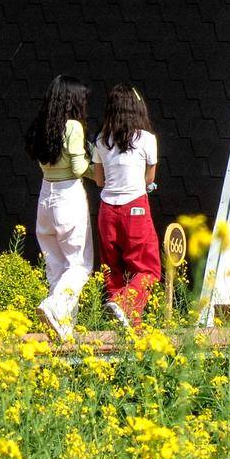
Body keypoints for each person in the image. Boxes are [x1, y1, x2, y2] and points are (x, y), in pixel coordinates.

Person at [24, 74, 94, 342]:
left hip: (45, 197)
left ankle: (63, 330)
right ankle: (54, 307)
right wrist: (98, 171)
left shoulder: (42, 125)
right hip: (68, 197)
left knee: (55, 266)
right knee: (79, 265)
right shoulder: (73, 126)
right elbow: (78, 168)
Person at [92, 85, 161, 326]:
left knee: (112, 269)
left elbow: (99, 180)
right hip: (135, 207)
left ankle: (119, 313)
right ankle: (124, 305)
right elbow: (149, 179)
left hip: (107, 210)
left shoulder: (101, 140)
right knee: (148, 269)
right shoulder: (147, 139)